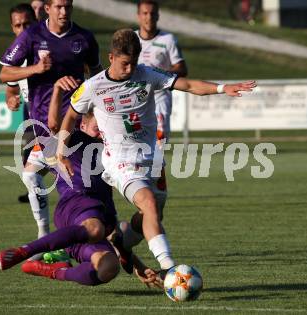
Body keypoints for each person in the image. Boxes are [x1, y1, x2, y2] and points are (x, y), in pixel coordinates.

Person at [56, 29, 256, 275]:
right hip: (121, 162)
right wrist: (61, 152)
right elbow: (70, 117)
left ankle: (121, 241)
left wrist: (223, 88)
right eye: (124, 64)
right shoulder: (93, 87)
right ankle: (171, 270)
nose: (130, 69)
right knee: (149, 204)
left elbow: (189, 85)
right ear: (111, 57)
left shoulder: (147, 75)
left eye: (134, 63)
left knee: (152, 215)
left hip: (151, 158)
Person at [0, 111, 160, 287]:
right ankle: (23, 251)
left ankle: (54, 271)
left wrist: (139, 266)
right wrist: (59, 89)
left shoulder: (111, 154)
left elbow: (114, 237)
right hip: (74, 205)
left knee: (108, 267)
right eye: (97, 128)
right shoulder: (71, 140)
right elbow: (52, 124)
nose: (101, 133)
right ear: (82, 126)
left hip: (97, 217)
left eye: (105, 130)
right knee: (97, 229)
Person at [0, 0, 102, 255]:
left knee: (79, 187)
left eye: (67, 6)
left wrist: (97, 112)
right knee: (32, 175)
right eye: (58, 6)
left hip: (75, 128)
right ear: (47, 9)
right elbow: (4, 74)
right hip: (44, 127)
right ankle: (45, 236)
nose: (63, 11)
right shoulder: (32, 36)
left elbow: (99, 75)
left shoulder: (84, 38)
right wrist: (37, 68)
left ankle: (90, 239)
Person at [136, 0, 188, 144]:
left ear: (158, 16)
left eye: (152, 13)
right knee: (136, 142)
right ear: (138, 16)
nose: (149, 17)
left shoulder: (168, 39)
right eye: (145, 13)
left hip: (160, 96)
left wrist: (158, 74)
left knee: (160, 141)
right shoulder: (132, 39)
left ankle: (159, 165)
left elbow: (182, 69)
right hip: (135, 98)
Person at [3, 3, 36, 204]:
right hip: (31, 110)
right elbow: (11, 90)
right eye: (18, 26)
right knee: (28, 162)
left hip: (60, 109)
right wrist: (11, 100)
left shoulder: (49, 46)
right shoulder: (14, 55)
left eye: (27, 24)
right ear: (12, 27)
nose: (23, 30)